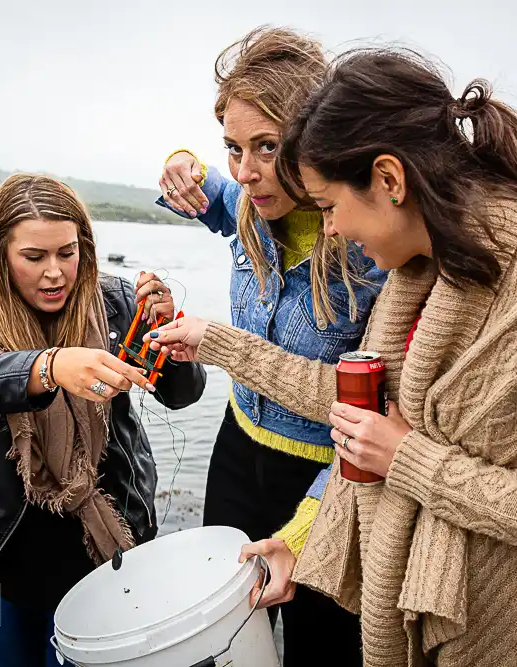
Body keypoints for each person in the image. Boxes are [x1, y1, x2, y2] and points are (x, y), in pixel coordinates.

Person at [145, 48, 517, 666]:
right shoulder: (419, 272)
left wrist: (411, 460)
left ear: (390, 181)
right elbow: (361, 418)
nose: (333, 230)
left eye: (327, 206)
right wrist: (300, 541)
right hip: (436, 617)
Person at [147, 26, 386, 665]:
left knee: (322, 649)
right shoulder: (251, 203)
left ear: (317, 141)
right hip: (236, 451)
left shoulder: (376, 253)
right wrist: (182, 162)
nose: (246, 173)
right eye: (232, 147)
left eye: (267, 147)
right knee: (224, 633)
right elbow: (201, 191)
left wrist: (309, 529)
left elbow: (377, 419)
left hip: (326, 477)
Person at [0, 174, 206, 667]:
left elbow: (182, 394)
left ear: (84, 247)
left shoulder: (113, 300)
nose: (55, 273)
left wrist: (166, 336)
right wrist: (47, 366)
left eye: (67, 253)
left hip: (101, 540)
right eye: (34, 257)